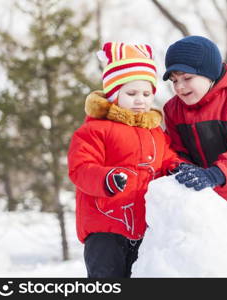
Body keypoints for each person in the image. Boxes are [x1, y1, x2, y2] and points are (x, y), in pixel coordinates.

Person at [67, 42, 181, 278]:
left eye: (146, 94)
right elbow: (80, 168)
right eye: (131, 93)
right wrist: (105, 179)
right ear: (113, 94)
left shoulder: (155, 131)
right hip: (105, 226)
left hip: (144, 228)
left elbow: (166, 158)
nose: (140, 100)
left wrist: (176, 168)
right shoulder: (96, 130)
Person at [162, 36, 227, 251]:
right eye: (174, 81)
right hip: (203, 204)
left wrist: (215, 174)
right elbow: (175, 150)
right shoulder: (172, 109)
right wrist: (181, 167)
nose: (180, 87)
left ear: (208, 73)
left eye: (187, 78)